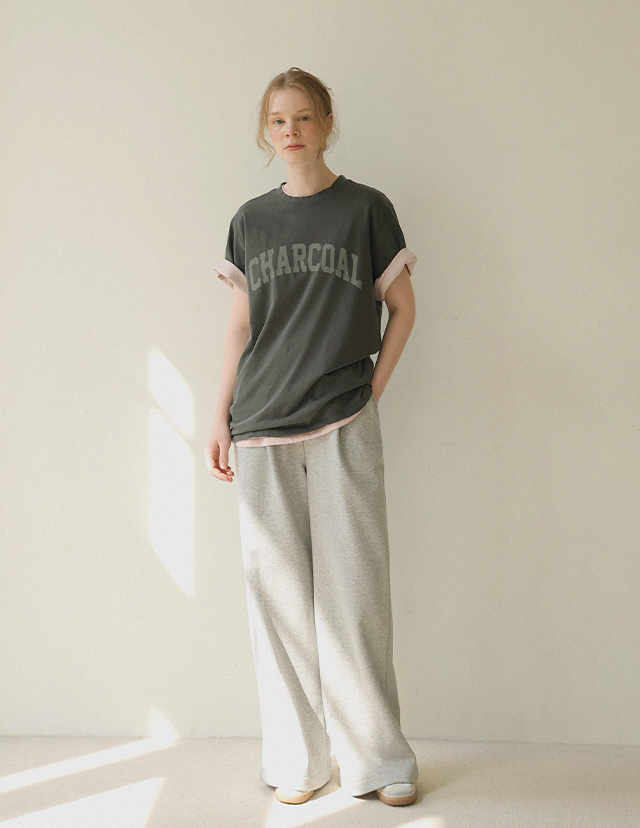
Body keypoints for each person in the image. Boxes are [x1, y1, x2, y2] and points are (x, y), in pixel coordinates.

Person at [205, 67, 419, 807]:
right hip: (260, 425)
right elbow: (240, 328)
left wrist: (369, 393)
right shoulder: (250, 221)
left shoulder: (366, 209)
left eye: (303, 117)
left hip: (342, 421)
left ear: (327, 123)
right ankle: (298, 761)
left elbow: (403, 308)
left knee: (356, 595)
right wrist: (218, 415)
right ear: (265, 132)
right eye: (277, 120)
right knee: (278, 606)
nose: (290, 131)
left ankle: (379, 762)